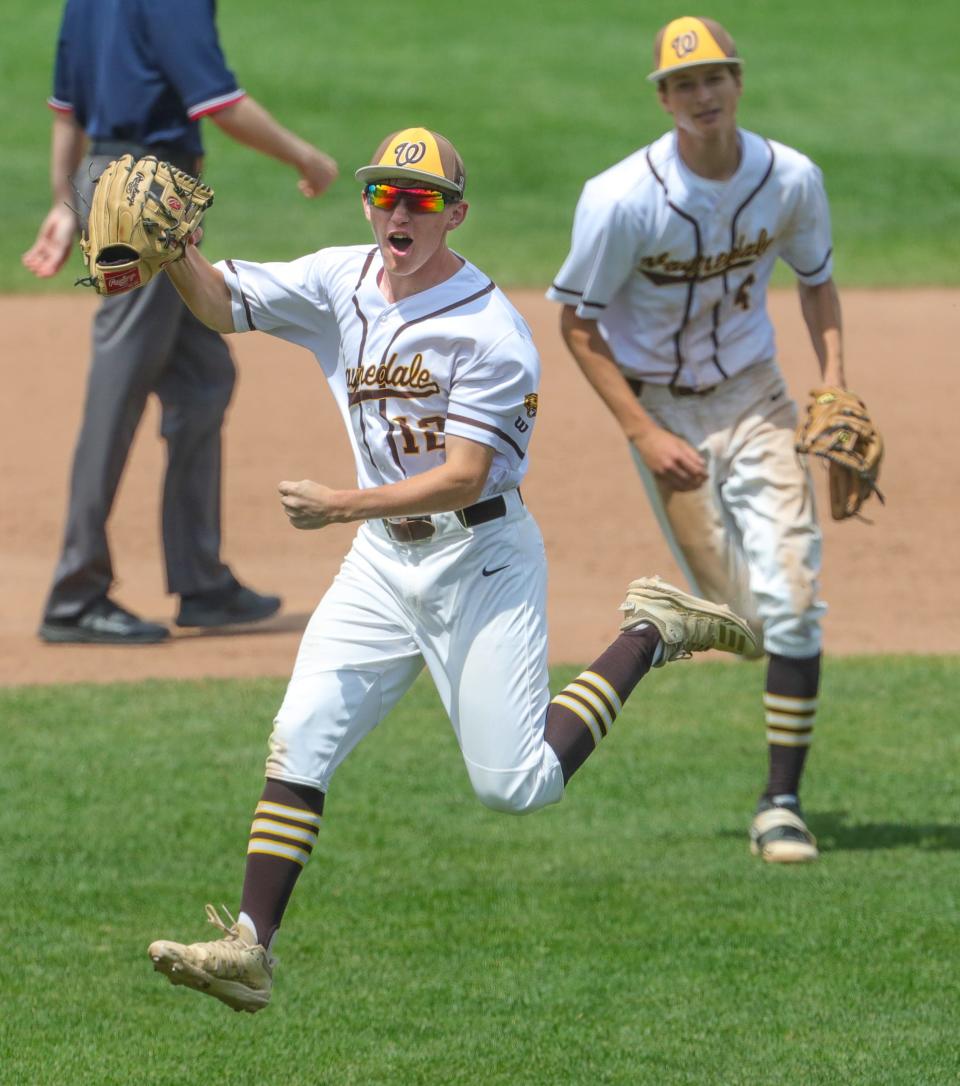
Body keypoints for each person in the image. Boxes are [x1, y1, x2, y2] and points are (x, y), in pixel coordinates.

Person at [145, 126, 757, 1012]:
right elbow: (218, 302)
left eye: (422, 198)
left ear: (455, 214)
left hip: (480, 559)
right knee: (302, 734)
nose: (399, 209)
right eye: (385, 193)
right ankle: (249, 947)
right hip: (379, 567)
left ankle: (650, 632)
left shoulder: (491, 332)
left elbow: (466, 474)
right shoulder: (337, 280)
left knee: (515, 785)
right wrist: (176, 254)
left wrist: (340, 504)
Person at [548, 16, 845, 863]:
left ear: (738, 80)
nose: (701, 95)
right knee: (744, 620)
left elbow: (818, 284)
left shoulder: (790, 179)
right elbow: (575, 323)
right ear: (664, 97)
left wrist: (836, 385)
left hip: (756, 397)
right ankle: (666, 623)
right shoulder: (621, 200)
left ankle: (781, 802)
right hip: (663, 411)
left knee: (794, 599)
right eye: (683, 84)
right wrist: (641, 433)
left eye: (714, 77)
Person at [24, 0, 339, 644]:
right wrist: (307, 158)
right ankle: (74, 593)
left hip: (113, 181)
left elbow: (68, 110)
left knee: (202, 379)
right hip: (149, 194)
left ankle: (202, 582)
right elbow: (219, 104)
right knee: (119, 391)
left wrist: (70, 201)